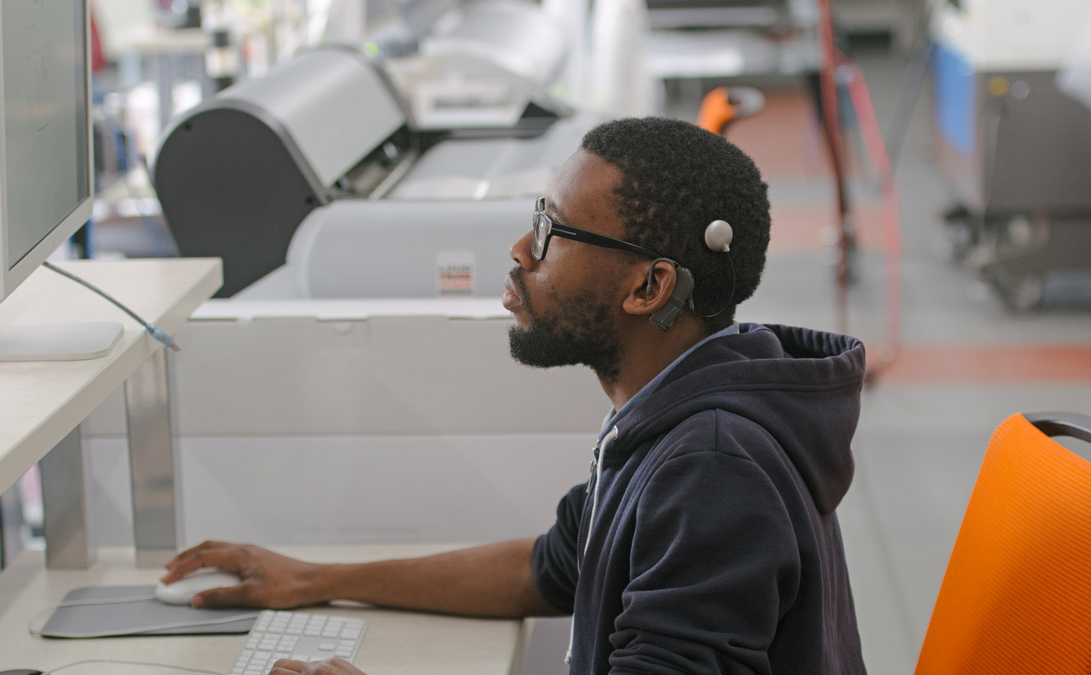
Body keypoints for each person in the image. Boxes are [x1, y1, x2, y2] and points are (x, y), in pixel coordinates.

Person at [162, 117, 868, 675]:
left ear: (648, 287)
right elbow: (550, 567)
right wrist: (314, 579)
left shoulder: (712, 467)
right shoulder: (672, 412)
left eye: (550, 233)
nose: (519, 251)